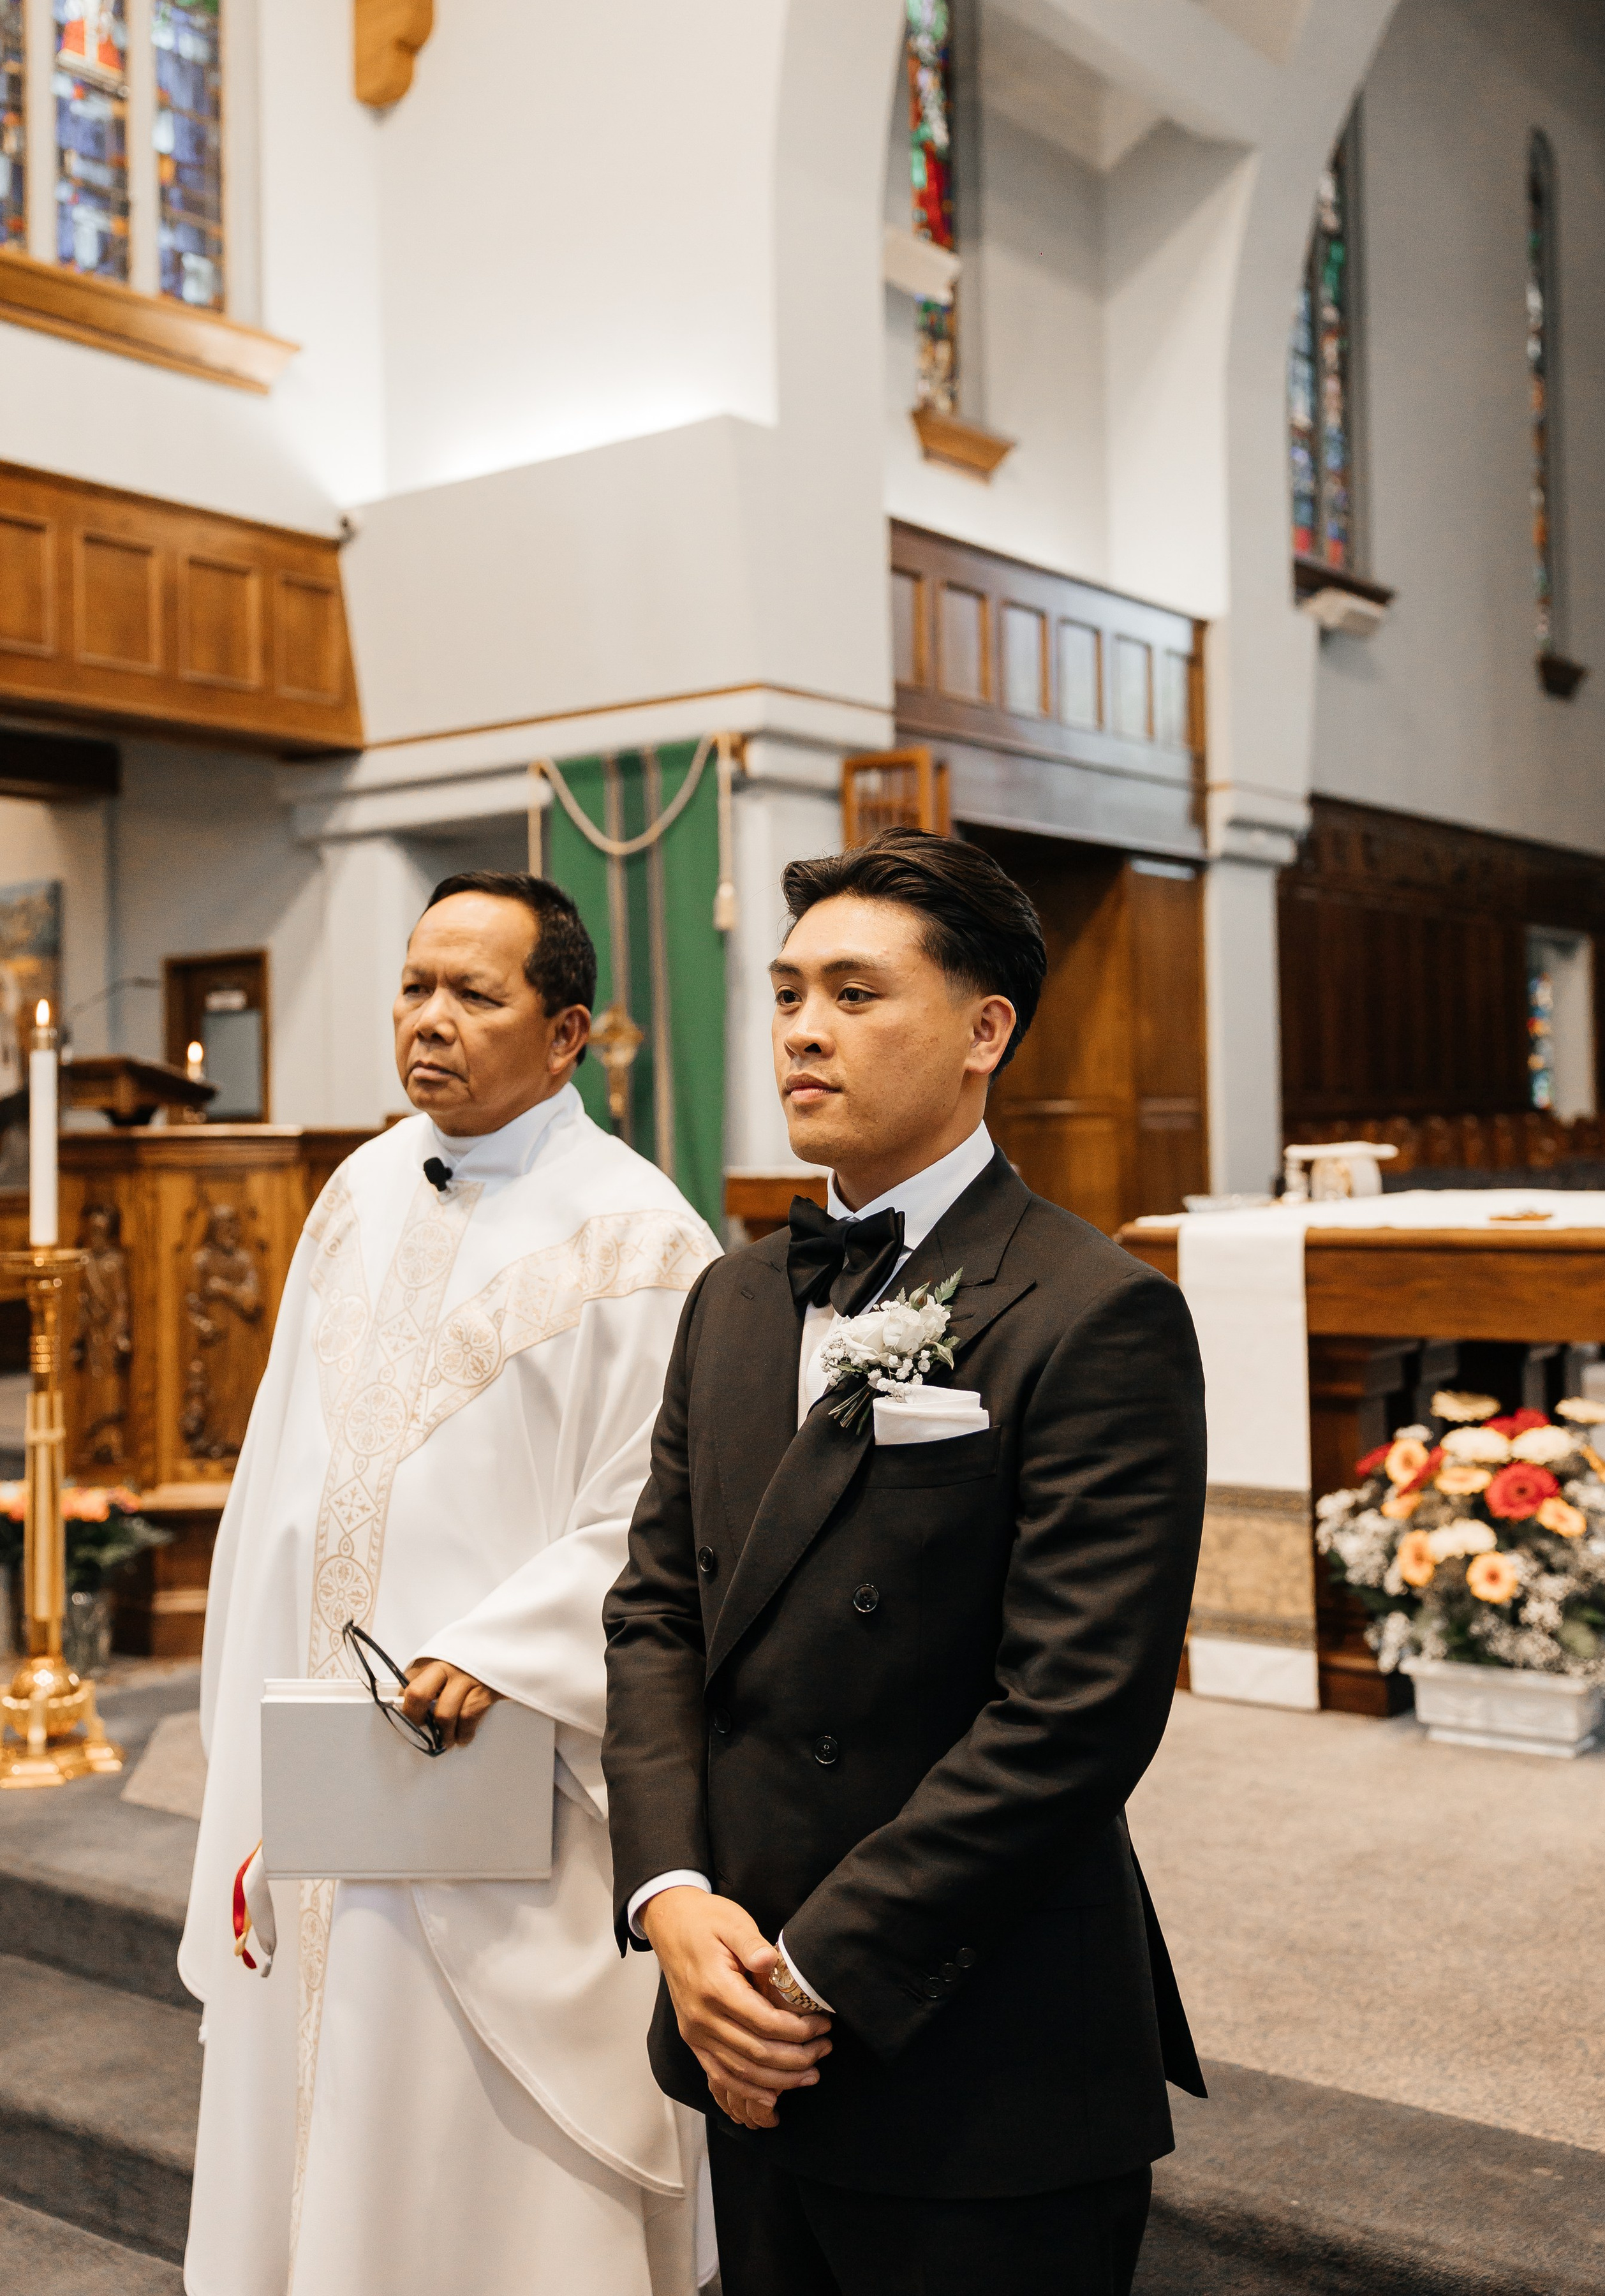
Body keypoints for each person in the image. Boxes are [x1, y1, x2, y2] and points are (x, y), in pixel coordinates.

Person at [603, 827, 1207, 2296]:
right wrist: (673, 1899)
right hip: (735, 2010)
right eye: (787, 993)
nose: (801, 1030)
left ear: (983, 1031)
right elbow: (656, 1613)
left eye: (855, 993)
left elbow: (1072, 1715)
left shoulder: (1093, 1312)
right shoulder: (732, 1296)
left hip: (969, 2041)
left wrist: (810, 1975)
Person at [181, 871, 720, 2296]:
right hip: (319, 1734)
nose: (429, 1020)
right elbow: (281, 1455)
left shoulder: (644, 1238)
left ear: (568, 1033)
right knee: (308, 2070)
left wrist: (506, 1645)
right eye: (415, 986)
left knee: (452, 2138)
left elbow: (665, 1517)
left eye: (474, 995)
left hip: (491, 1754)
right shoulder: (358, 1190)